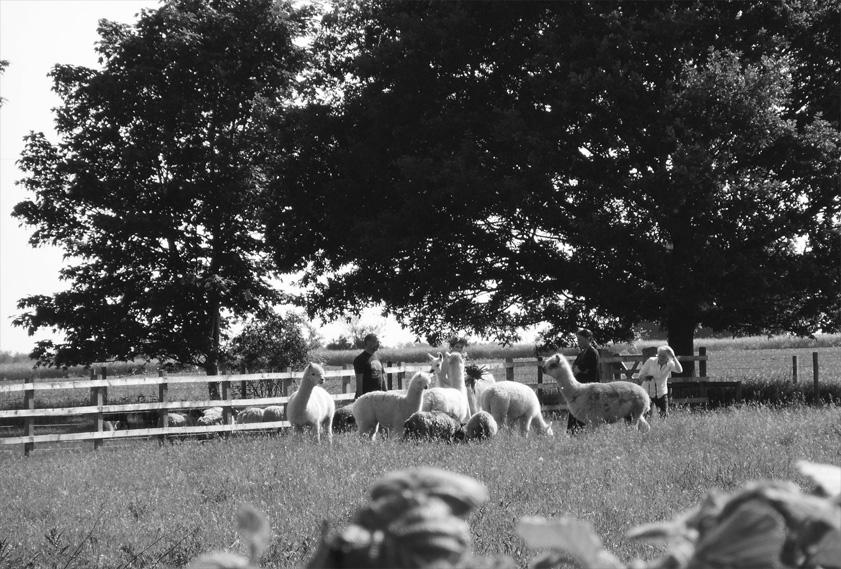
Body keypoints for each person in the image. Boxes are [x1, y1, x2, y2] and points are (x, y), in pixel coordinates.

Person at [638, 345, 683, 419]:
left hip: (661, 392)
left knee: (664, 415)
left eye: (664, 356)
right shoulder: (651, 361)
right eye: (660, 355)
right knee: (646, 414)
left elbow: (680, 370)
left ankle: (663, 429)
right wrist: (646, 377)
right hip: (648, 391)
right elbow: (641, 374)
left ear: (668, 358)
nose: (661, 358)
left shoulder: (670, 364)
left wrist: (674, 357)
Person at [568, 328, 600, 432]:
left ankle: (582, 433)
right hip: (579, 389)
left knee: (584, 414)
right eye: (578, 340)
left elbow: (584, 370)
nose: (579, 342)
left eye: (581, 340)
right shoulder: (581, 353)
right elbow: (575, 369)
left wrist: (579, 370)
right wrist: (578, 370)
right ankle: (573, 433)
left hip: (588, 389)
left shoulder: (592, 353)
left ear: (589, 339)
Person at [354, 333, 387, 398]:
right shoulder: (360, 359)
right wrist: (360, 399)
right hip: (367, 399)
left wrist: (386, 394)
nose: (378, 344)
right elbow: (359, 382)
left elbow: (382, 378)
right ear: (368, 342)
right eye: (375, 342)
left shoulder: (378, 357)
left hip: (379, 397)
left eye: (378, 342)